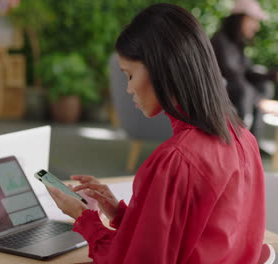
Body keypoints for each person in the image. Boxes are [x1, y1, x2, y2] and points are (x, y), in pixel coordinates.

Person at [48, 3, 265, 263]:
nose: (129, 89)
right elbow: (193, 235)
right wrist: (120, 214)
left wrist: (84, 219)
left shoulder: (175, 161)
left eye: (129, 75)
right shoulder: (242, 137)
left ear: (161, 69)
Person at [211, 0, 278, 140]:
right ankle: (239, 140)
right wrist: (260, 101)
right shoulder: (220, 42)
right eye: (254, 21)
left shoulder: (236, 44)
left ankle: (253, 141)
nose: (257, 27)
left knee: (264, 86)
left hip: (240, 92)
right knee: (242, 90)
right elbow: (233, 77)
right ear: (241, 18)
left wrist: (271, 75)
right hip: (221, 95)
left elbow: (246, 71)